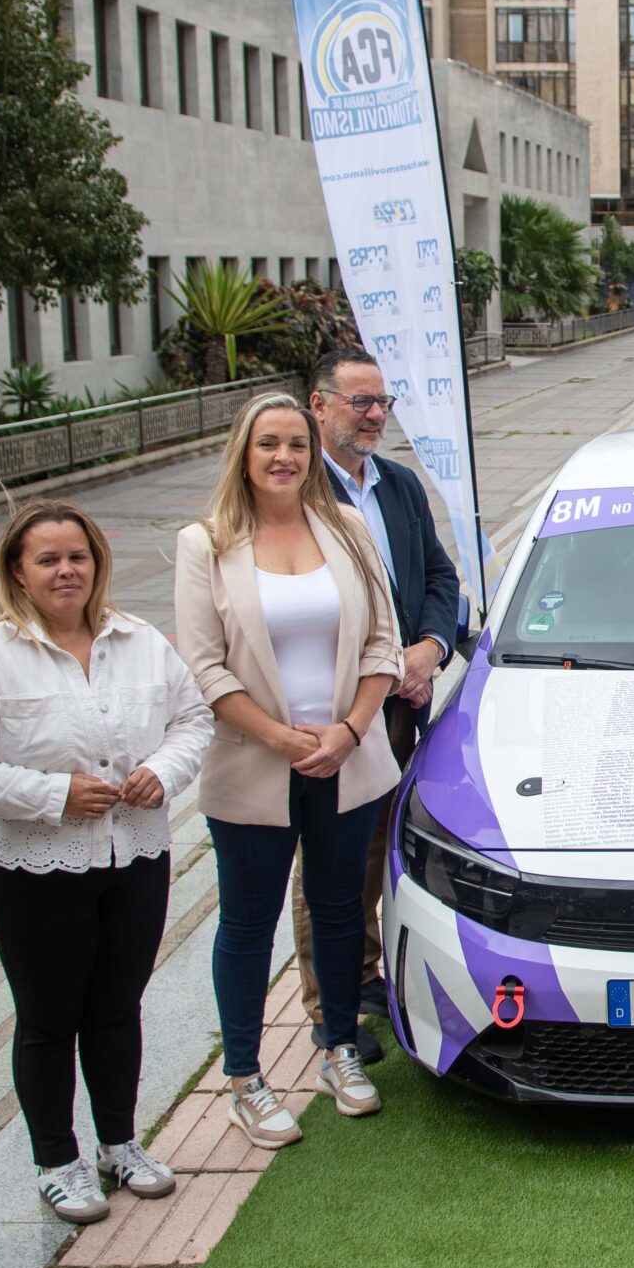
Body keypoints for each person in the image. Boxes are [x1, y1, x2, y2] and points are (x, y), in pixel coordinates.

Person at [0, 503, 213, 1225]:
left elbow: (193, 720)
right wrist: (52, 794)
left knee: (118, 1006)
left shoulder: (139, 640)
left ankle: (120, 1142)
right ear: (18, 572)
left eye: (78, 556)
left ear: (97, 563)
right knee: (50, 1017)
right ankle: (57, 1159)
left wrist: (162, 771)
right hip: (34, 867)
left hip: (134, 852)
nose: (66, 571)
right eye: (48, 559)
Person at [176, 393, 403, 1148]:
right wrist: (281, 737)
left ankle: (338, 1048)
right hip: (254, 765)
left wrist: (347, 731)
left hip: (346, 757)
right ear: (243, 453)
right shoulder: (205, 543)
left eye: (297, 446)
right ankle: (245, 1077)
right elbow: (204, 669)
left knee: (341, 909)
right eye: (268, 444)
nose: (285, 458)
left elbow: (383, 642)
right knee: (247, 920)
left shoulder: (344, 526)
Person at [296, 347, 462, 1064]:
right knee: (330, 864)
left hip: (400, 706)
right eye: (359, 401)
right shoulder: (296, 497)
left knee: (378, 847)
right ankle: (328, 1002)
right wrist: (385, 666)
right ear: (320, 404)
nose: (373, 415)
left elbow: (437, 574)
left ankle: (367, 979)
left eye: (382, 403)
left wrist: (429, 646)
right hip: (335, 709)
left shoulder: (395, 484)